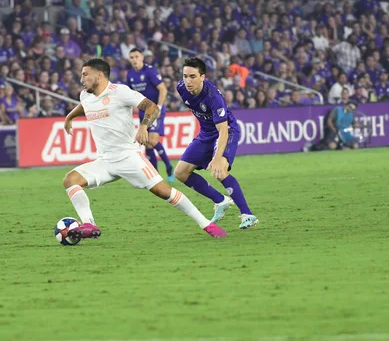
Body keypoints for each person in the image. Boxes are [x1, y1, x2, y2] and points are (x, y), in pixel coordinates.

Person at [62, 58, 227, 239]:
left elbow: (152, 108)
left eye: (85, 74)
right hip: (105, 161)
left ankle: (207, 225)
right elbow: (84, 106)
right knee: (70, 180)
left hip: (128, 157)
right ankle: (89, 225)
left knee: (164, 192)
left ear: (99, 75)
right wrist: (69, 117)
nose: (81, 79)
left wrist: (143, 127)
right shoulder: (85, 95)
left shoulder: (120, 92)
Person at [173, 57, 259, 230]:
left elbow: (223, 130)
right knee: (180, 173)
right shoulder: (181, 88)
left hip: (226, 131)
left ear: (202, 77)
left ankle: (248, 214)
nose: (187, 81)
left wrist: (217, 157)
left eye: (192, 76)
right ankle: (221, 201)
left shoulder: (214, 97)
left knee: (219, 171)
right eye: (185, 76)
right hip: (206, 134)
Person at [126, 48, 174, 182]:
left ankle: (167, 168)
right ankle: (157, 174)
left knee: (152, 140)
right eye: (131, 57)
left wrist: (158, 107)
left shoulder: (150, 71)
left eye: (136, 56)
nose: (134, 60)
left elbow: (163, 89)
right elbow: (130, 94)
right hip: (143, 111)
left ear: (142, 57)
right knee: (147, 143)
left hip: (155, 109)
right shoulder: (130, 75)